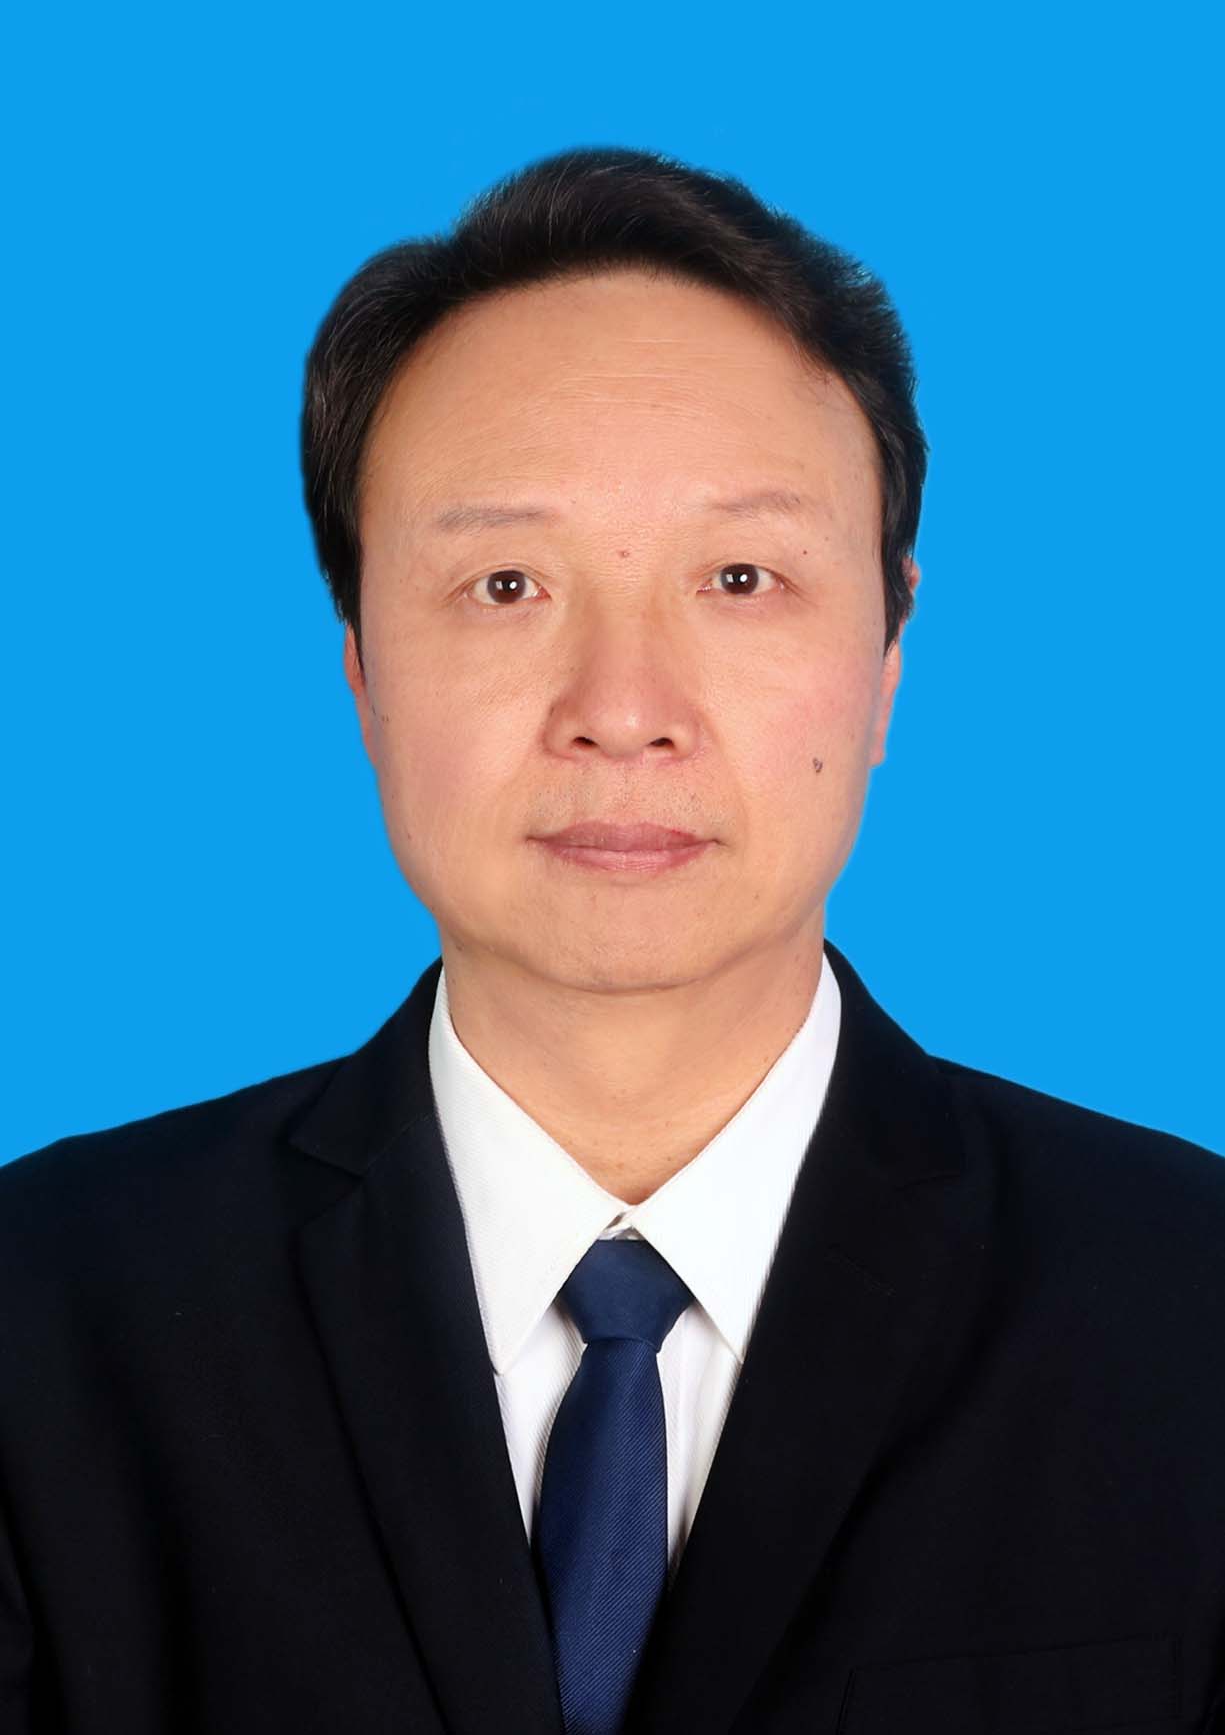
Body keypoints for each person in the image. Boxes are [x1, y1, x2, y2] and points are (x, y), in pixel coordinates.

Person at [1, 145, 1222, 1735]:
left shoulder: (1187, 1310)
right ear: (362, 666)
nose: (622, 709)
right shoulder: (47, 1317)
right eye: (505, 582)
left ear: (886, 654)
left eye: (740, 576)